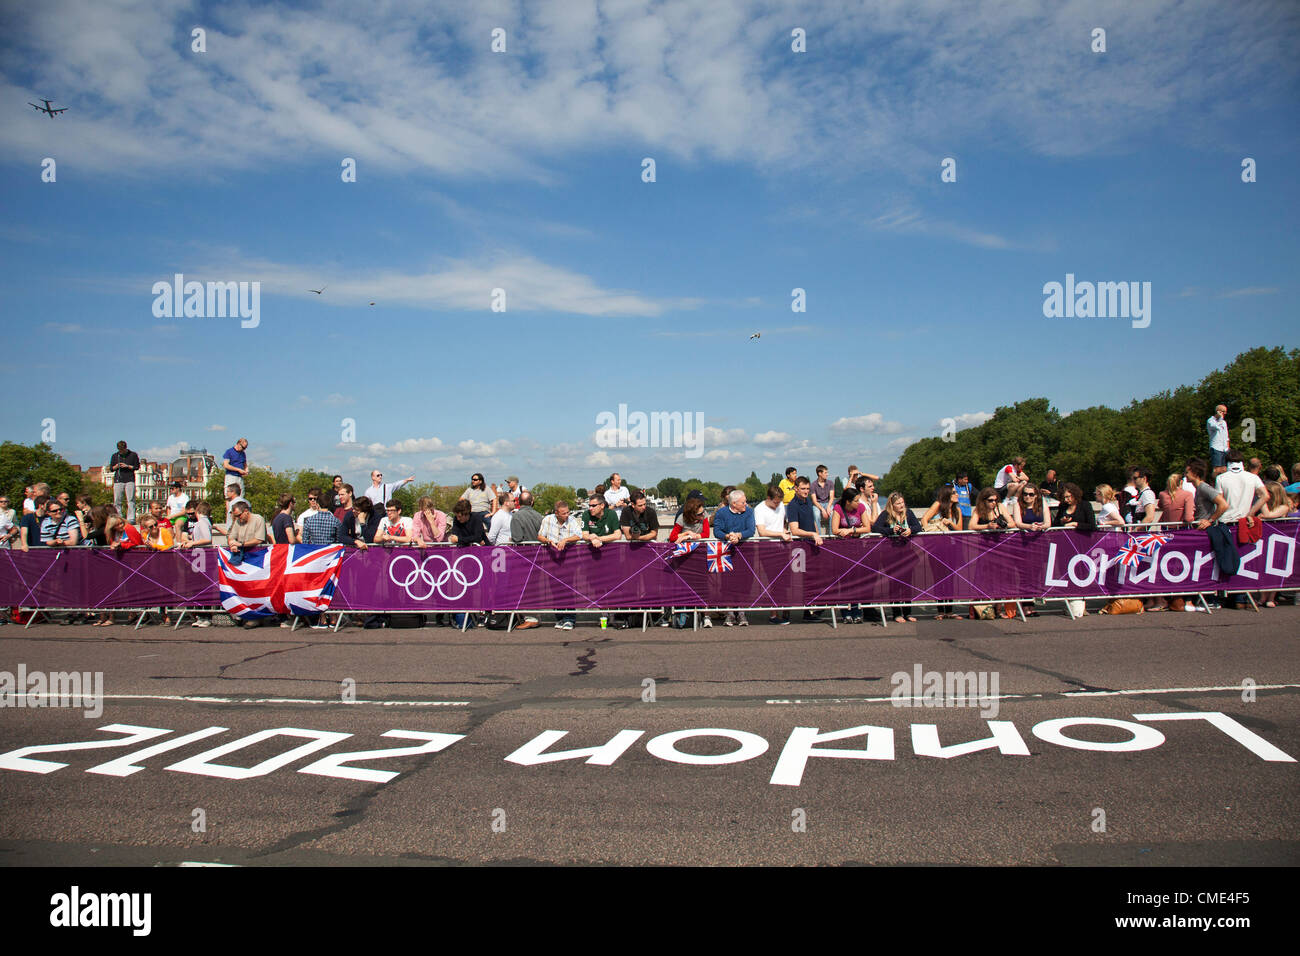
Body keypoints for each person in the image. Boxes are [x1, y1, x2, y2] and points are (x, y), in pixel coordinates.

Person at [871, 492, 923, 623]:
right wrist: (891, 531)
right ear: (892, 505)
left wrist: (910, 529)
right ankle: (896, 613)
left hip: (907, 553)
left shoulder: (909, 513)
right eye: (898, 503)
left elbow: (919, 526)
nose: (901, 505)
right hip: (891, 554)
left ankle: (907, 612)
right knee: (893, 583)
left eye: (902, 502)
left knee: (907, 584)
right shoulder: (886, 514)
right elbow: (875, 528)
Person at [538, 500, 582, 630]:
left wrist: (565, 540)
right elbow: (540, 536)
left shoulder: (572, 520)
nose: (566, 515)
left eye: (568, 512)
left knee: (568, 588)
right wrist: (548, 541)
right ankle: (560, 616)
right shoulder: (547, 520)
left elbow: (578, 535)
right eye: (563, 513)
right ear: (556, 513)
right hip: (552, 558)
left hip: (568, 558)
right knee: (554, 588)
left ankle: (570, 617)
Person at [713, 490, 755, 626]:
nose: (745, 504)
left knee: (745, 581)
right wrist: (728, 536)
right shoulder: (721, 513)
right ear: (734, 503)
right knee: (727, 582)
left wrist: (739, 535)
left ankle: (742, 612)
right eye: (743, 502)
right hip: (727, 551)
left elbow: (751, 529)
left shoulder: (748, 511)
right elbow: (717, 531)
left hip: (745, 550)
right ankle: (730, 613)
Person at [831, 487, 872, 623]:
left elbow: (867, 527)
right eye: (855, 500)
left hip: (856, 547)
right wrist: (848, 531)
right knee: (844, 581)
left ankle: (856, 611)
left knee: (857, 580)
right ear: (848, 502)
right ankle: (845, 612)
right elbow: (835, 529)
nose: (858, 502)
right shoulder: (838, 508)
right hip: (842, 548)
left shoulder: (860, 508)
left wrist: (851, 530)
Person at [509, 491, 544, 630]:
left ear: (519, 502)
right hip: (539, 555)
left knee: (524, 588)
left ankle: (531, 617)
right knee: (534, 587)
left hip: (523, 557)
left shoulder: (516, 517)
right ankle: (535, 615)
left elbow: (517, 538)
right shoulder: (539, 516)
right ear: (532, 501)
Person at [1259, 482, 1291, 607]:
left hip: (1279, 542)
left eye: (1268, 494)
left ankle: (1271, 597)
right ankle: (1263, 596)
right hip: (1265, 540)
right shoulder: (1266, 505)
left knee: (1276, 570)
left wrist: (1262, 501)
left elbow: (1267, 515)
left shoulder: (1284, 506)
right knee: (1262, 569)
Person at [109, 440, 140, 522]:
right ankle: (119, 517)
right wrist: (116, 466)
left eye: (122, 450)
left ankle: (131, 518)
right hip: (118, 480)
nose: (121, 452)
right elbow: (111, 468)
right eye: (119, 450)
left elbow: (137, 467)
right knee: (117, 500)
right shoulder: (115, 456)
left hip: (129, 479)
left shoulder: (133, 455)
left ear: (125, 448)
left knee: (130, 499)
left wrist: (127, 466)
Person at [812, 465, 835, 533]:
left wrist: (828, 507)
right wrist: (822, 509)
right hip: (817, 504)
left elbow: (831, 497)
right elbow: (814, 500)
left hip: (828, 503)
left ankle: (832, 535)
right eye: (825, 472)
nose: (827, 474)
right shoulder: (813, 485)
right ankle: (819, 535)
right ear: (820, 473)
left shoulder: (830, 483)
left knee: (832, 513)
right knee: (816, 515)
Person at [1207, 404, 1230, 472]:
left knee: (1224, 469)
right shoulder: (1210, 421)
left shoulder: (1224, 422)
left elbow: (1226, 436)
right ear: (1218, 411)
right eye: (1223, 411)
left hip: (1224, 449)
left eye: (1225, 411)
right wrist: (1220, 418)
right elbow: (1216, 427)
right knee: (1217, 469)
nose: (1225, 413)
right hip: (1216, 448)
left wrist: (1228, 448)